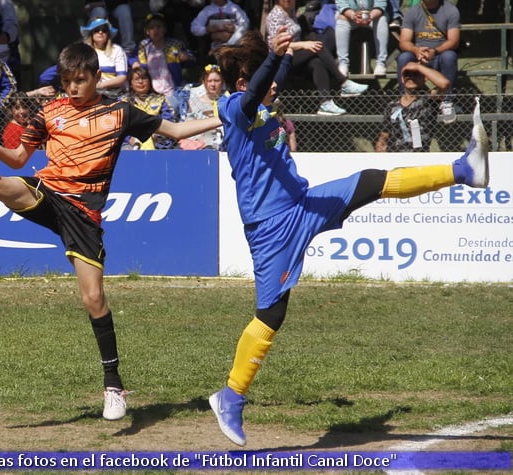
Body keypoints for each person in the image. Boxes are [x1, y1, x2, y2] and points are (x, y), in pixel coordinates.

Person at [0, 42, 223, 421]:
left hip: (83, 214)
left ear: (97, 77)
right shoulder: (50, 111)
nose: (73, 88)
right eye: (66, 81)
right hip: (48, 193)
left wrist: (224, 116)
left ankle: (113, 386)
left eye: (80, 80)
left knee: (94, 298)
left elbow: (177, 130)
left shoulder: (120, 111)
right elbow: (18, 158)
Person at [207, 27, 488, 447]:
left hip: (303, 203)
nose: (277, 86)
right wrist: (275, 59)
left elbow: (266, 83)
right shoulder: (233, 106)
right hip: (271, 229)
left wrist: (287, 53)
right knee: (271, 315)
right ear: (246, 81)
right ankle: (230, 397)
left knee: (370, 180)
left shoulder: (261, 98)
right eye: (266, 77)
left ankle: (464, 171)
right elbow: (252, 95)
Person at [266, 0, 368, 116]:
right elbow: (277, 45)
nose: (287, 0)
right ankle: (343, 82)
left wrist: (305, 43)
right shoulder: (274, 16)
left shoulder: (291, 13)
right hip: (281, 59)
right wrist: (304, 44)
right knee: (317, 46)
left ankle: (325, 103)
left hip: (295, 55)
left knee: (316, 62)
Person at [396, 0, 460, 124]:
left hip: (439, 53)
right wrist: (416, 50)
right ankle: (404, 100)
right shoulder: (412, 11)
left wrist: (434, 51)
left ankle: (447, 101)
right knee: (404, 57)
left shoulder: (451, 10)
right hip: (418, 55)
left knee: (449, 56)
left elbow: (454, 41)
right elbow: (404, 41)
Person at [376, 60, 450, 152]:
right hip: (395, 156)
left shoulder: (429, 100)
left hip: (419, 157)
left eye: (416, 74)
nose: (411, 77)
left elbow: (444, 84)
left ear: (424, 78)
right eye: (407, 74)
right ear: (402, 79)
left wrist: (418, 67)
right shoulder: (392, 106)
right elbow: (383, 137)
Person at [134, 13, 196, 113]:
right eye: (152, 28)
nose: (156, 30)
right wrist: (135, 63)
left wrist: (188, 57)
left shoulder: (175, 45)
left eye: (159, 27)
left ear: (164, 29)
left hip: (173, 89)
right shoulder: (144, 46)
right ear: (147, 31)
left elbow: (191, 61)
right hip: (153, 92)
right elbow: (137, 62)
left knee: (176, 109)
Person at [121, 66, 177, 150]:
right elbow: (118, 126)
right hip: (131, 142)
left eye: (144, 78)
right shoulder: (124, 102)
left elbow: (168, 120)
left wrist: (157, 133)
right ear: (131, 84)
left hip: (159, 140)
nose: (141, 82)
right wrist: (129, 139)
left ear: (150, 81)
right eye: (136, 79)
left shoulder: (160, 100)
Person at [335, 0, 390, 77]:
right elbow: (341, 5)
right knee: (341, 18)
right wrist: (353, 15)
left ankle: (381, 63)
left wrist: (370, 16)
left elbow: (381, 4)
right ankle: (343, 63)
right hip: (350, 17)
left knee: (382, 18)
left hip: (372, 17)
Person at [178, 64, 224, 150]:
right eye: (210, 81)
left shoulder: (227, 102)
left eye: (217, 80)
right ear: (204, 82)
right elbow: (188, 126)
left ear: (222, 82)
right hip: (197, 144)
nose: (213, 84)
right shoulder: (193, 101)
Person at [81, 17, 128, 97]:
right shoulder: (85, 50)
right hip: (91, 93)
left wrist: (100, 85)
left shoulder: (117, 50)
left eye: (104, 30)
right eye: (96, 30)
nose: (100, 32)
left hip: (116, 93)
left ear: (108, 34)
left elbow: (122, 78)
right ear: (91, 34)